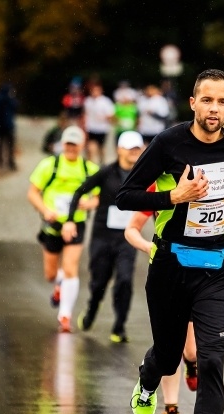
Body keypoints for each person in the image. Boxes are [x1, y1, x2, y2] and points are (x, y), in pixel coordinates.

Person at [115, 69, 224, 414]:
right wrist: (173, 198)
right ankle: (147, 377)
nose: (215, 109)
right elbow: (125, 196)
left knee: (211, 360)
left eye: (223, 102)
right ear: (193, 103)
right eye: (207, 100)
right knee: (169, 354)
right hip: (169, 269)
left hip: (217, 271)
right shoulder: (170, 143)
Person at [61, 130, 143, 343]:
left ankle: (119, 326)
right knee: (99, 282)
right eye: (130, 148)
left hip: (128, 238)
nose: (134, 152)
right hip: (102, 237)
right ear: (119, 150)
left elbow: (155, 204)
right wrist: (70, 219)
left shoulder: (145, 175)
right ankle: (92, 308)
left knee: (124, 280)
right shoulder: (106, 172)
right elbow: (79, 192)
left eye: (138, 148)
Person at [124, 209, 199, 414]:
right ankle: (171, 408)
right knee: (169, 350)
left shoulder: (208, 181)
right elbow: (131, 229)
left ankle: (192, 364)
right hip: (169, 272)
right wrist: (148, 246)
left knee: (192, 351)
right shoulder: (160, 184)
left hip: (200, 274)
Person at [27, 125, 100, 332]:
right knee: (50, 274)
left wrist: (91, 203)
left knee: (70, 267)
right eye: (68, 144)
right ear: (62, 144)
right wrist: (44, 209)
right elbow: (32, 192)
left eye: (75, 145)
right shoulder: (49, 165)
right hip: (52, 223)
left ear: (81, 146)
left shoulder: (89, 169)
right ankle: (58, 284)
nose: (70, 148)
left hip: (76, 223)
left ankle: (65, 315)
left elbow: (100, 196)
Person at [83, 83, 115, 164]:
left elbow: (111, 115)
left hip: (102, 129)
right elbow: (85, 114)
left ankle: (102, 164)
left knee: (101, 149)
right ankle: (90, 166)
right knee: (91, 149)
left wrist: (104, 117)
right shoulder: (88, 101)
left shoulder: (105, 101)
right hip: (91, 128)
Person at [0, 82, 19, 170]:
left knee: (0, 143)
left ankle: (0, 160)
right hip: (8, 125)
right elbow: (15, 106)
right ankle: (10, 161)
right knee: (10, 144)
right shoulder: (9, 99)